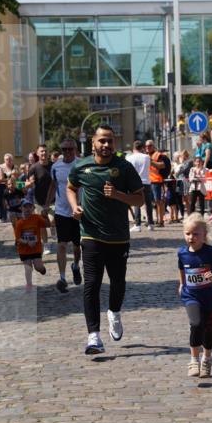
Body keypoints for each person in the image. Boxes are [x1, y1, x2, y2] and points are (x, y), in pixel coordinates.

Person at [67, 126, 144, 355]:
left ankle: (114, 312)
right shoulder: (82, 166)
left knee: (118, 282)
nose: (106, 145)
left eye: (110, 141)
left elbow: (140, 199)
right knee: (91, 284)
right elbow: (71, 188)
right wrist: (75, 207)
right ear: (93, 143)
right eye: (102, 141)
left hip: (118, 236)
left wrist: (119, 195)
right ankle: (93, 336)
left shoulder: (124, 167)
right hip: (90, 234)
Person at [177, 213, 212, 379]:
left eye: (195, 234)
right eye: (188, 234)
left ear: (204, 234)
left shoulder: (211, 252)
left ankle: (206, 358)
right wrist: (181, 283)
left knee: (208, 330)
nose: (191, 237)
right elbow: (182, 269)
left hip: (210, 297)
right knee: (196, 323)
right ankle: (193, 359)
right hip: (190, 295)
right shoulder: (182, 253)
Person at [48, 138, 82, 293]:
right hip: (61, 211)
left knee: (77, 246)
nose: (67, 152)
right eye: (64, 149)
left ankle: (75, 266)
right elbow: (53, 186)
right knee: (61, 244)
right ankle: (62, 278)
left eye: (70, 149)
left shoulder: (81, 164)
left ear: (75, 149)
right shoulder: (56, 166)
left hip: (78, 211)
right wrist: (47, 204)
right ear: (61, 151)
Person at [13, 199, 48, 290]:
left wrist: (46, 216)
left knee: (38, 267)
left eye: (30, 206)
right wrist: (27, 242)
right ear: (21, 208)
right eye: (25, 207)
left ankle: (42, 269)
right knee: (28, 267)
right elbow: (18, 238)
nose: (28, 209)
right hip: (24, 249)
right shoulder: (19, 223)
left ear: (33, 208)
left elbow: (47, 225)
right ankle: (29, 285)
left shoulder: (37, 218)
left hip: (36, 248)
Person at [26, 144, 54, 249]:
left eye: (45, 151)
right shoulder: (33, 167)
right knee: (42, 224)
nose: (44, 153)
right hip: (38, 201)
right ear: (37, 153)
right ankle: (46, 245)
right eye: (41, 151)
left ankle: (53, 228)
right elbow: (27, 183)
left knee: (52, 220)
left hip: (53, 200)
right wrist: (30, 183)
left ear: (48, 153)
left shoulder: (53, 166)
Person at [125, 140, 154, 231]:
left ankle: (137, 225)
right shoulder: (147, 157)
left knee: (136, 203)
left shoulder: (129, 158)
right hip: (146, 181)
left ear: (133, 148)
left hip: (136, 183)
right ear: (142, 148)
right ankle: (151, 223)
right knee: (148, 203)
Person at [145, 139, 168, 226]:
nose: (147, 147)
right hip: (149, 181)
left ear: (153, 146)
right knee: (151, 202)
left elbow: (162, 165)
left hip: (156, 181)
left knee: (158, 201)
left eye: (149, 146)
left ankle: (160, 221)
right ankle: (154, 219)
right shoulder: (146, 155)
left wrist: (151, 162)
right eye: (146, 146)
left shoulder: (158, 155)